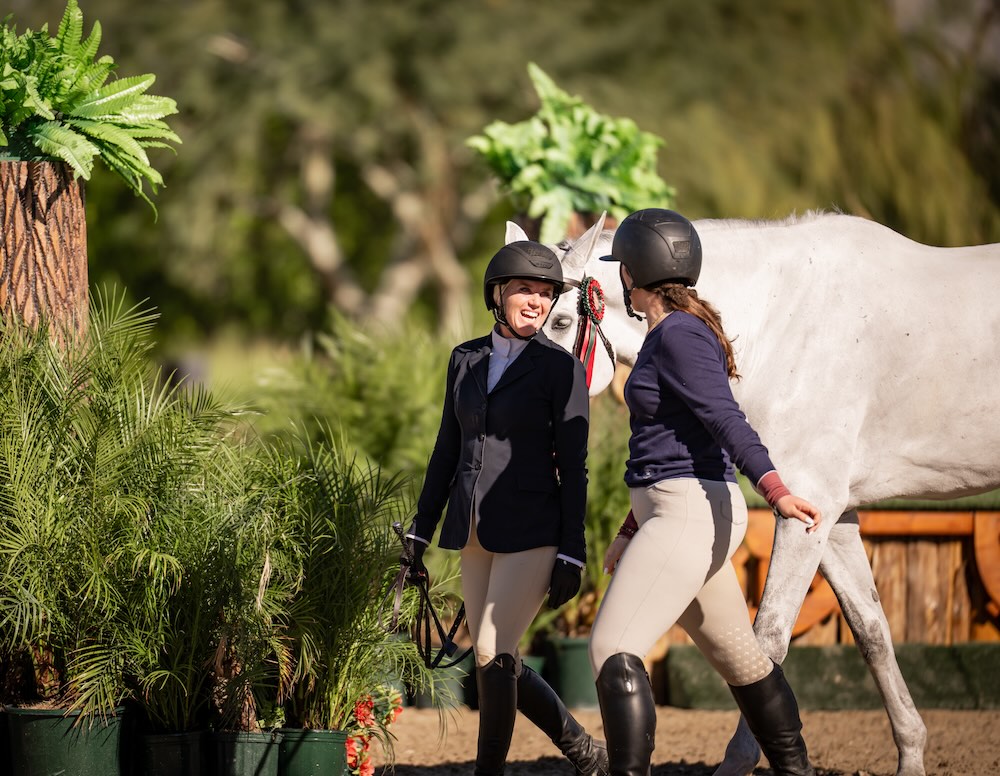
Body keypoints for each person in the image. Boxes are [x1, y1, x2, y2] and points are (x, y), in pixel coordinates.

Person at [589, 208, 822, 776]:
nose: (620, 277)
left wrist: (776, 489)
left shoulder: (680, 335)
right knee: (742, 661)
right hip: (682, 513)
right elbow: (665, 445)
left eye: (623, 266)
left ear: (635, 273)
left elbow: (724, 419)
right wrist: (630, 527)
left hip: (688, 516)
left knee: (611, 650)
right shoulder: (671, 333)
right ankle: (798, 772)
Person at [405, 241, 609, 776]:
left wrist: (572, 551)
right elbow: (446, 449)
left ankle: (487, 772)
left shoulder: (560, 369)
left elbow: (575, 467)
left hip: (533, 530)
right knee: (494, 657)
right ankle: (584, 751)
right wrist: (419, 534)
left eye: (546, 294)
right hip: (472, 529)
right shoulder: (464, 358)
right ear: (497, 294)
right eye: (525, 289)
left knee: (494, 649)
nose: (537, 301)